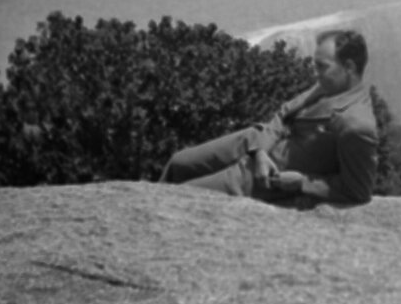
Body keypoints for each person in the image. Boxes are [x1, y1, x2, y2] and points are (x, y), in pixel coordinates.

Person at [159, 29, 378, 205]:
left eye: (322, 67)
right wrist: (262, 151)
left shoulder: (356, 125)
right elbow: (285, 113)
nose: (316, 73)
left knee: (180, 198)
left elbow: (358, 190)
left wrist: (302, 183)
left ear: (349, 67)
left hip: (258, 180)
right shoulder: (329, 84)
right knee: (178, 163)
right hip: (254, 144)